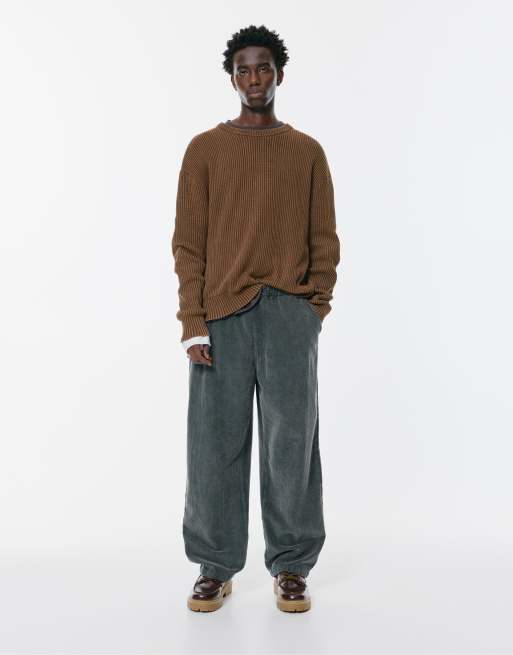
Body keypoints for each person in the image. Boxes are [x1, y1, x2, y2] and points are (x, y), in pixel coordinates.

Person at [171, 24, 341, 613]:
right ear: (232, 78)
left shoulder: (307, 152)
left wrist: (313, 309)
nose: (253, 79)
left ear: (279, 74)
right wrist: (192, 321)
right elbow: (188, 244)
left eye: (263, 68)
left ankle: (291, 564)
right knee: (213, 444)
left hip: (289, 314)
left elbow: (324, 238)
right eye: (243, 69)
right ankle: (214, 565)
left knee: (291, 442)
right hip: (221, 316)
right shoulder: (205, 151)